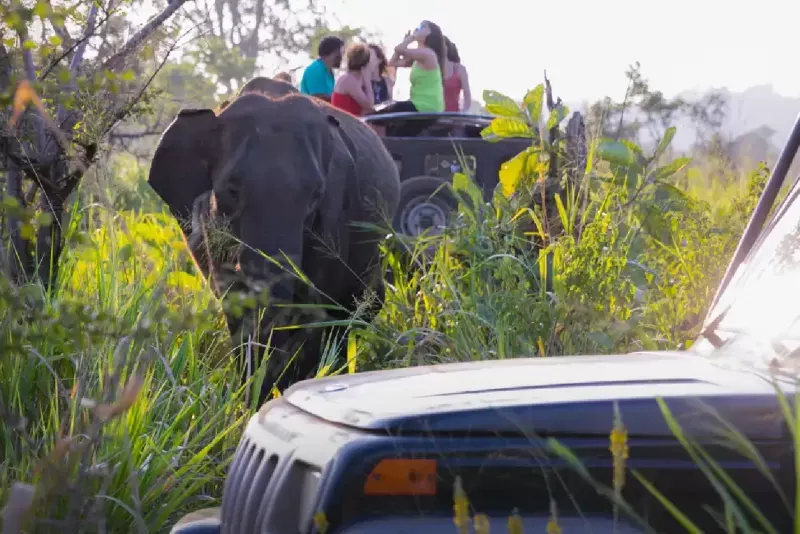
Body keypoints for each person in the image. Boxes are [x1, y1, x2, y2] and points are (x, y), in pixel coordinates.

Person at [368, 20, 446, 137]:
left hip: (425, 106)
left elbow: (398, 49)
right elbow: (392, 62)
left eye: (422, 27)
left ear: (430, 33)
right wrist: (405, 42)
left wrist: (411, 38)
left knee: (382, 114)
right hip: (417, 104)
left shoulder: (427, 54)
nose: (418, 29)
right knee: (385, 118)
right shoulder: (418, 56)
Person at [330, 43, 378, 116]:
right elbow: (370, 106)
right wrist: (367, 80)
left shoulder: (356, 79)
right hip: (343, 122)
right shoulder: (348, 79)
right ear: (366, 64)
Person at [299, 35, 345, 102]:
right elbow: (318, 99)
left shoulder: (329, 72)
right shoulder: (315, 70)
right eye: (342, 52)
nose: (342, 57)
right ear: (335, 52)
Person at [442, 36, 472, 112]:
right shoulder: (429, 69)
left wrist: (463, 112)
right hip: (432, 115)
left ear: (447, 47)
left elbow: (467, 95)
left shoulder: (460, 69)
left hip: (453, 116)